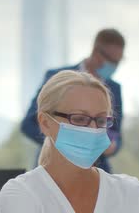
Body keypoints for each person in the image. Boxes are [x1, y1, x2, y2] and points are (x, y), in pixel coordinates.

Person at [0, 70, 139, 213]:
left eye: (100, 120)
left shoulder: (131, 192)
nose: (92, 129)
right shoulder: (20, 192)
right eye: (79, 119)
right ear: (45, 123)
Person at [21, 28, 125, 173]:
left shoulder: (115, 89)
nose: (113, 66)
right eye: (111, 60)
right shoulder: (56, 77)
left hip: (97, 169)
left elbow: (116, 133)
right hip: (53, 167)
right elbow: (28, 124)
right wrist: (65, 143)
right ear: (96, 52)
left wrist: (112, 146)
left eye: (117, 62)